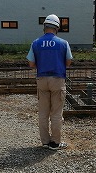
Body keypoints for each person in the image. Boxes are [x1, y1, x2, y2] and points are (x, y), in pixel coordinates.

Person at [26, 14, 73, 150]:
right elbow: (68, 61)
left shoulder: (36, 43)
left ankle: (45, 142)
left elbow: (31, 63)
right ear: (57, 28)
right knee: (56, 113)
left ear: (44, 27)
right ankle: (55, 143)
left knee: (43, 113)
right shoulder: (63, 43)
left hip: (42, 79)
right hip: (57, 79)